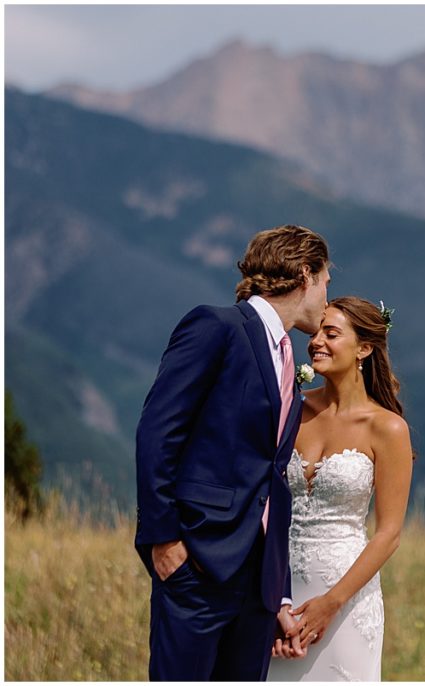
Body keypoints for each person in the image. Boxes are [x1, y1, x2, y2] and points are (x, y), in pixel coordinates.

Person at [135, 224, 330, 680]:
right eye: (325, 282)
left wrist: (277, 591)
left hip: (257, 583)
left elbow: (269, 475)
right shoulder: (217, 327)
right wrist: (165, 542)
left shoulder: (286, 356)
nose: (326, 296)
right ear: (305, 274)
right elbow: (156, 434)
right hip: (196, 565)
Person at [267, 296, 414, 681]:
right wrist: (270, 600)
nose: (316, 341)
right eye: (315, 332)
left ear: (364, 347)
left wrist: (332, 603)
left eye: (331, 333)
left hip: (346, 596)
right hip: (279, 589)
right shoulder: (290, 411)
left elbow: (389, 534)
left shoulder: (387, 428)